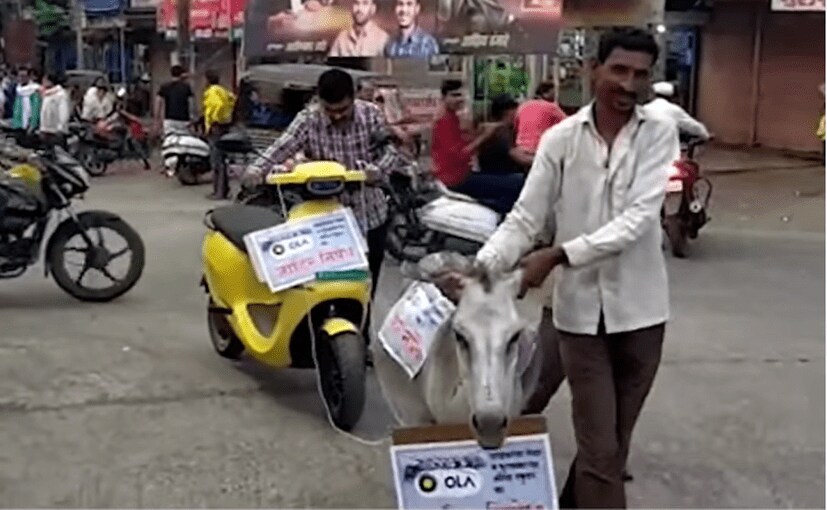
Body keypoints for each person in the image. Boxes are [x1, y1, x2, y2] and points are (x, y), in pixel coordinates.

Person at [438, 28, 677, 508]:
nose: (629, 84)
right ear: (593, 69)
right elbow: (525, 219)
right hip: (580, 318)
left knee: (612, 444)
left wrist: (558, 255)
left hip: (642, 313)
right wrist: (480, 273)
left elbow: (638, 220)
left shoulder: (659, 132)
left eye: (640, 74)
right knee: (601, 448)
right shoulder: (561, 139)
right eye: (619, 70)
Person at [244, 68, 404, 350]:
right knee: (322, 283)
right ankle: (317, 337)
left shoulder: (371, 115)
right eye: (330, 110)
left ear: (354, 98)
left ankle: (361, 339)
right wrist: (256, 170)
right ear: (320, 102)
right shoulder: (308, 119)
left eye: (343, 110)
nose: (337, 116)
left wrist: (378, 171)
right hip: (325, 221)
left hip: (369, 214)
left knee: (363, 284)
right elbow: (281, 147)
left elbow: (391, 150)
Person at [431, 79, 523, 215]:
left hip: (462, 174)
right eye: (454, 95)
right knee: (517, 183)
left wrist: (478, 134)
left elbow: (461, 144)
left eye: (461, 95)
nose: (460, 99)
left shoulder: (452, 118)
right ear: (444, 97)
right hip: (457, 179)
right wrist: (484, 136)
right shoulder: (444, 121)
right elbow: (461, 154)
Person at [202, 70, 237, 200]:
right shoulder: (223, 90)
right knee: (221, 160)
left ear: (207, 80)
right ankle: (223, 190)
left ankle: (219, 192)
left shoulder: (212, 91)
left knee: (217, 161)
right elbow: (232, 100)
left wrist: (214, 119)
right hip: (224, 126)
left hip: (216, 127)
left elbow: (218, 104)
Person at [477, 94, 532, 174]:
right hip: (498, 175)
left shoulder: (509, 129)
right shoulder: (499, 131)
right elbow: (519, 157)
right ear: (508, 112)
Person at [514, 80, 568, 155]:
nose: (556, 96)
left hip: (520, 149)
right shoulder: (551, 107)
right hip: (539, 149)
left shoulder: (523, 106)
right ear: (546, 93)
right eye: (554, 93)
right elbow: (568, 123)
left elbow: (515, 127)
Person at [644, 81, 709, 140]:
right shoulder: (674, 109)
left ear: (654, 94)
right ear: (671, 97)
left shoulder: (644, 108)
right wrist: (706, 135)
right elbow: (692, 125)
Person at [154, 65, 194, 137]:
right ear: (181, 74)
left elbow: (158, 103)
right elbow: (191, 105)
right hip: (184, 120)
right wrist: (192, 118)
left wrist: (157, 121)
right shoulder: (186, 87)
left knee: (169, 139)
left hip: (169, 120)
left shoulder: (165, 87)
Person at [38, 73, 71, 148]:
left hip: (56, 131)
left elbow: (64, 113)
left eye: (45, 80)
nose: (43, 82)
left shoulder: (61, 94)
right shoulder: (46, 94)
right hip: (46, 129)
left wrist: (60, 128)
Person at [11, 67, 42, 136]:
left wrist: (33, 124)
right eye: (19, 76)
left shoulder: (34, 90)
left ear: (28, 77)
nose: (21, 78)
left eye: (23, 76)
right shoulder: (18, 89)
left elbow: (36, 109)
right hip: (18, 123)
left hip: (30, 124)